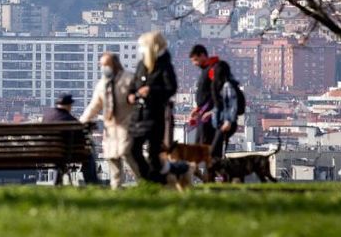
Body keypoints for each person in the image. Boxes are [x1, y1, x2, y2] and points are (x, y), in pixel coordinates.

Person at [79, 52, 140, 189]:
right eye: (101, 65)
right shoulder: (102, 84)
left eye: (106, 65)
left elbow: (137, 98)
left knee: (128, 154)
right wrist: (82, 121)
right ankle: (116, 186)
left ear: (114, 65)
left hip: (127, 124)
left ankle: (143, 183)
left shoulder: (128, 79)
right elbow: (94, 106)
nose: (103, 68)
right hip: (111, 127)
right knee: (112, 157)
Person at [127, 31, 178, 184]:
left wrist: (151, 91)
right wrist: (131, 94)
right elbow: (133, 84)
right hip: (138, 115)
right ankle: (149, 178)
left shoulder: (164, 66)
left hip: (154, 115)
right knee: (133, 149)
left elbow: (171, 88)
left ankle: (155, 181)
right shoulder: (142, 65)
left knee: (153, 153)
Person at [43, 93, 99, 184]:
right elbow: (81, 138)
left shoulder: (47, 116)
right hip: (65, 154)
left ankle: (58, 182)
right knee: (88, 156)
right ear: (69, 105)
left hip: (47, 153)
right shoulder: (69, 119)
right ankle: (92, 183)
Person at [187, 45, 231, 145]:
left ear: (202, 55)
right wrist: (198, 108)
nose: (194, 64)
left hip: (210, 116)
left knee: (206, 146)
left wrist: (212, 111)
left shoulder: (213, 69)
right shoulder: (206, 70)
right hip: (203, 114)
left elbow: (218, 92)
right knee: (199, 145)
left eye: (196, 60)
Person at [209, 64, 239, 159]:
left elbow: (232, 104)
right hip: (221, 123)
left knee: (214, 151)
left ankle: (220, 173)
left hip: (226, 123)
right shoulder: (222, 86)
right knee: (216, 151)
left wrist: (228, 121)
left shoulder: (227, 86)